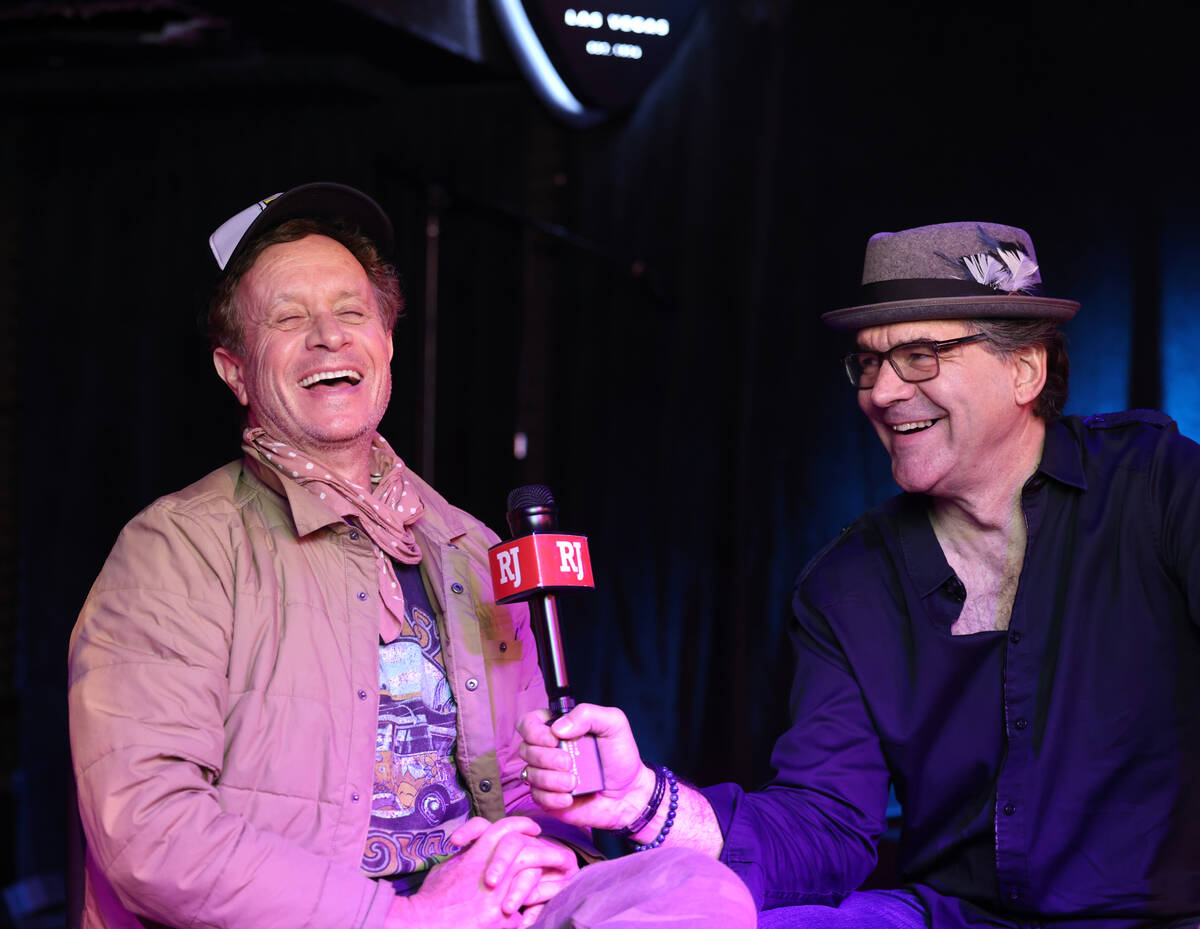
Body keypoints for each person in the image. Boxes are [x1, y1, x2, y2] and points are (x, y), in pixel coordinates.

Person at [67, 182, 755, 929]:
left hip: (486, 907)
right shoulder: (177, 550)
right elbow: (149, 830)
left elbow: (523, 786)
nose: (328, 336)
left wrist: (556, 850)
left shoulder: (467, 545)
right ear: (235, 369)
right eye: (289, 318)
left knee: (698, 889)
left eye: (351, 312)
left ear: (388, 343)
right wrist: (402, 918)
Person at [518, 222, 1200, 928]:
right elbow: (824, 826)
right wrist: (641, 799)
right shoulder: (847, 584)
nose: (881, 391)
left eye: (920, 355)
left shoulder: (1156, 487)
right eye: (869, 363)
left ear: (1024, 367)